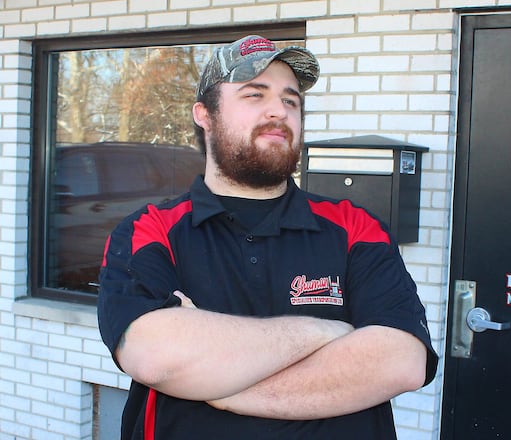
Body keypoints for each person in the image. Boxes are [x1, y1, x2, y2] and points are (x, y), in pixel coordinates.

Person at [97, 35, 438, 439]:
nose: (279, 110)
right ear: (204, 115)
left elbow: (402, 361)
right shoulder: (150, 230)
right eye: (254, 95)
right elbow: (156, 357)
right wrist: (326, 331)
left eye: (291, 100)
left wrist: (221, 388)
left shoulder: (355, 226)